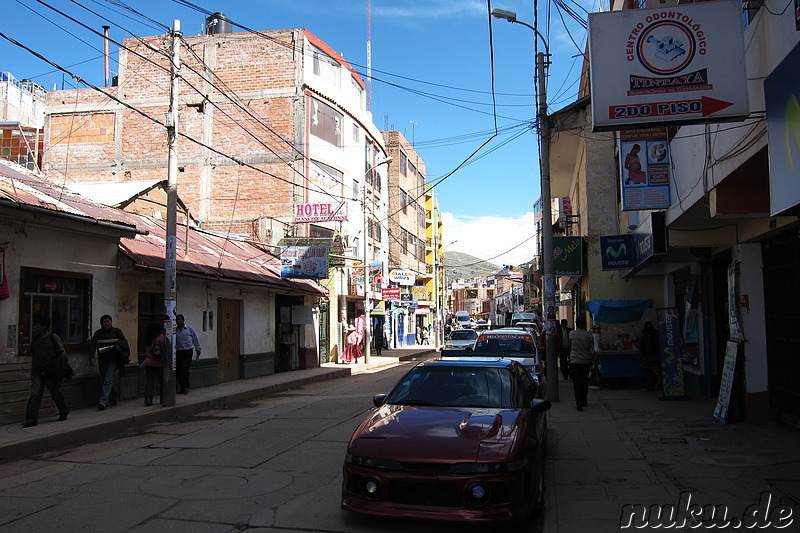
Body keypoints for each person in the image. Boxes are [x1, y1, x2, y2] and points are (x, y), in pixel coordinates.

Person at [22, 316, 70, 427]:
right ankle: (31, 418)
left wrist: (58, 368)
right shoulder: (35, 339)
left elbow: (62, 353)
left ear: (44, 326)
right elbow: (33, 354)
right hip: (37, 371)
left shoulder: (53, 338)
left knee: (54, 392)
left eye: (37, 325)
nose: (35, 327)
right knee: (35, 394)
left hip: (50, 371)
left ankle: (63, 411)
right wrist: (33, 369)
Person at [90, 314, 129, 411]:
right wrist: (91, 357)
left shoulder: (117, 332)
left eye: (108, 321)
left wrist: (117, 348)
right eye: (104, 322)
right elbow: (93, 345)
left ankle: (103, 401)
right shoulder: (98, 334)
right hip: (102, 360)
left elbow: (124, 343)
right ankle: (114, 397)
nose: (106, 323)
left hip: (114, 360)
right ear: (101, 323)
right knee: (105, 380)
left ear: (111, 322)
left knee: (107, 380)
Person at [569, 316, 595, 412]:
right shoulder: (589, 335)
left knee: (576, 383)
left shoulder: (572, 334)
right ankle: (584, 400)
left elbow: (570, 345)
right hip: (585, 361)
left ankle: (578, 401)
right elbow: (591, 351)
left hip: (575, 361)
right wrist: (593, 360)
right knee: (584, 382)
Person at [175, 313, 202, 395]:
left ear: (183, 320)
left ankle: (186, 387)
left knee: (184, 369)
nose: (178, 321)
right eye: (177, 320)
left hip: (187, 351)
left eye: (180, 320)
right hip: (179, 352)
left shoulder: (189, 328)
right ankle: (182, 387)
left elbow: (195, 338)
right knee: (178, 371)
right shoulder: (175, 330)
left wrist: (198, 349)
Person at [141, 322, 165, 406]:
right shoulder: (160, 337)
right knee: (162, 382)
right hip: (159, 363)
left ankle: (148, 400)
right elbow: (164, 349)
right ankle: (163, 399)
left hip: (148, 362)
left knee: (149, 383)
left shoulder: (148, 337)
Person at [638, 321, 661, 391]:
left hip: (647, 357)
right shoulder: (655, 333)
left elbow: (642, 346)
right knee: (655, 372)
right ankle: (657, 385)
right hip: (656, 357)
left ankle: (649, 386)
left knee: (648, 372)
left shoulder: (644, 334)